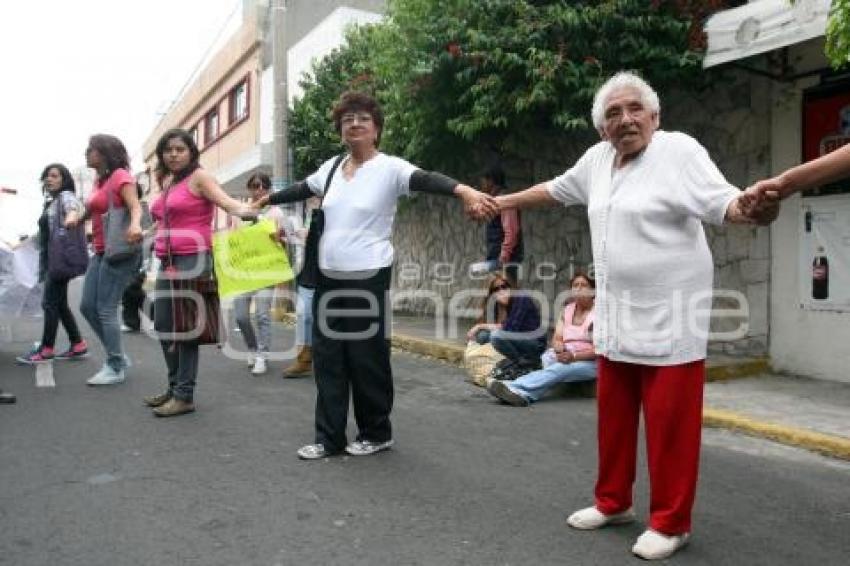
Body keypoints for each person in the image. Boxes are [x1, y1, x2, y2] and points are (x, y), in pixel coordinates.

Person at [473, 72, 779, 561]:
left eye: (635, 109)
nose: (625, 119)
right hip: (615, 320)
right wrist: (499, 202)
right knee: (612, 422)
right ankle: (613, 502)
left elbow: (726, 202)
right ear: (601, 130)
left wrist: (753, 208)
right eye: (612, 114)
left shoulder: (679, 152)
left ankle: (671, 523)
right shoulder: (597, 161)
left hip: (670, 320)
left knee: (669, 429)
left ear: (655, 117)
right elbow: (553, 190)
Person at [258, 91, 496, 460]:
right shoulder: (333, 168)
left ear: (376, 130)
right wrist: (265, 201)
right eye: (347, 119)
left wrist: (464, 190)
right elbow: (302, 188)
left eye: (363, 119)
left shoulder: (390, 168)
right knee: (328, 358)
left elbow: (427, 178)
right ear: (340, 129)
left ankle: (376, 431)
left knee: (366, 357)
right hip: (327, 278)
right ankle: (329, 438)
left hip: (367, 277)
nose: (354, 123)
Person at [144, 128, 256, 417]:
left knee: (185, 328)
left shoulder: (200, 177)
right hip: (167, 261)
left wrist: (249, 210)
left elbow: (226, 202)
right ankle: (173, 387)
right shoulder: (168, 180)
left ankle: (184, 395)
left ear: (191, 152)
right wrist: (142, 233)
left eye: (180, 149)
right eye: (168, 150)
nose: (173, 154)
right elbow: (163, 219)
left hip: (193, 259)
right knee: (164, 325)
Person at [67, 135, 144, 386]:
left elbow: (135, 206)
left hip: (120, 250)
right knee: (87, 307)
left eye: (91, 149)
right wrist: (77, 219)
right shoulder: (100, 181)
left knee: (106, 309)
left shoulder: (120, 175)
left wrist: (134, 225)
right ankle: (118, 356)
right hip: (101, 251)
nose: (86, 153)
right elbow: (92, 207)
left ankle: (114, 365)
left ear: (105, 152)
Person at [487, 272, 597, 406]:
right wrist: (558, 345)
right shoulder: (567, 310)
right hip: (565, 355)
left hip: (591, 362)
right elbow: (557, 337)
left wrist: (574, 356)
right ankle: (513, 386)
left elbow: (600, 350)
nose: (578, 288)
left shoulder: (598, 313)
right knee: (546, 363)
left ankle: (521, 392)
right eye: (575, 285)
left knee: (561, 368)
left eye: (584, 285)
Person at [16, 164, 89, 364]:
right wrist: (18, 245)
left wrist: (72, 217)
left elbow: (73, 208)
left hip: (59, 261)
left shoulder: (65, 196)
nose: (49, 179)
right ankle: (78, 343)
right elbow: (43, 235)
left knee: (49, 303)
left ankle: (47, 349)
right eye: (46, 176)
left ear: (63, 179)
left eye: (54, 176)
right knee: (60, 304)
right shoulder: (52, 202)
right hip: (52, 259)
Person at [233, 173, 284, 375]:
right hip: (244, 271)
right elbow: (234, 241)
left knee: (262, 315)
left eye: (263, 186)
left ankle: (262, 355)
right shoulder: (241, 212)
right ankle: (252, 349)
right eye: (254, 186)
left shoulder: (276, 213)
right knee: (240, 317)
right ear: (250, 189)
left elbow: (281, 241)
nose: (258, 190)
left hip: (266, 270)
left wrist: (272, 232)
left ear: (268, 189)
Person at [466, 273, 546, 373]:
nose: (501, 291)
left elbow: (509, 329)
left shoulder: (521, 298)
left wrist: (479, 326)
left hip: (534, 344)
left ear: (510, 285)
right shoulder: (498, 304)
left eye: (504, 286)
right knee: (483, 335)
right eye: (496, 289)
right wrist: (502, 307)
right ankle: (516, 361)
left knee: (496, 336)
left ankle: (526, 364)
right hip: (517, 338)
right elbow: (500, 326)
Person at [279, 197, 318, 378]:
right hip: (307, 272)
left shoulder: (336, 208)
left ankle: (332, 360)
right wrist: (284, 237)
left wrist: (314, 234)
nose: (313, 199)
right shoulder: (298, 215)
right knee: (304, 315)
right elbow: (292, 239)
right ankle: (304, 360)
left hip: (332, 271)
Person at [470, 161, 523, 282]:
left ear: (491, 181)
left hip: (505, 261)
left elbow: (511, 231)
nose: (481, 184)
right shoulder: (496, 201)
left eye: (482, 180)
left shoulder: (505, 201)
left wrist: (503, 258)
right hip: (498, 260)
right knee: (498, 295)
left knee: (507, 295)